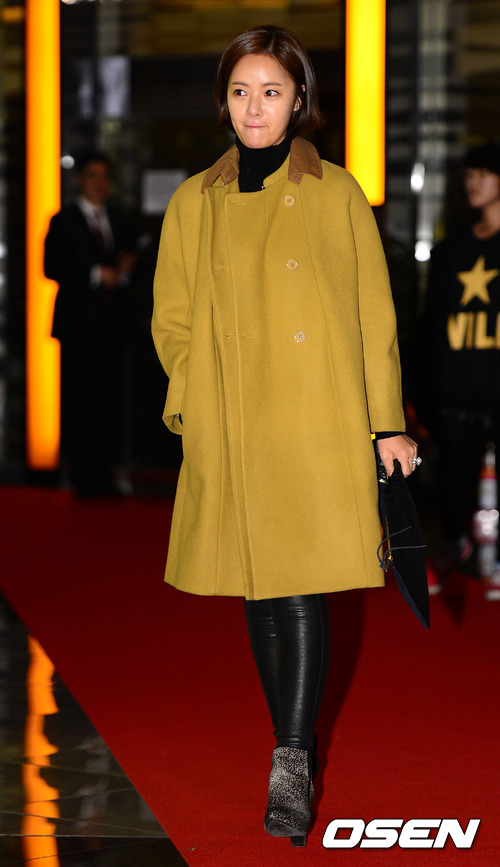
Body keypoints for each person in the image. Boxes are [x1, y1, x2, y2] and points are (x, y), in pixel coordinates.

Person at [152, 25, 418, 847]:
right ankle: (289, 741)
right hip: (234, 420)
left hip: (316, 417)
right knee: (260, 588)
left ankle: (292, 758)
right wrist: (199, 397)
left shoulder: (337, 192)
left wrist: (387, 424)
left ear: (300, 99)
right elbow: (172, 319)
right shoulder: (194, 200)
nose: (254, 107)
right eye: (241, 91)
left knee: (298, 584)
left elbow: (374, 316)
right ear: (224, 102)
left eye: (271, 91)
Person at [416, 141, 500, 599]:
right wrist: (424, 391)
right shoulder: (450, 251)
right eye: (468, 175)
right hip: (458, 389)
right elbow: (431, 326)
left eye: (482, 173)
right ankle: (454, 551)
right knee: (452, 482)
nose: (472, 183)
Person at [45, 150, 138, 497]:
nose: (99, 183)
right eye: (92, 176)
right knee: (78, 401)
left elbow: (131, 265)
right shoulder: (63, 220)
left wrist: (125, 272)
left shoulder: (119, 220)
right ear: (79, 180)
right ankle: (79, 473)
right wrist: (97, 274)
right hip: (77, 327)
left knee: (110, 401)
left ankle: (107, 471)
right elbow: (51, 267)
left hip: (113, 326)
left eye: (104, 177)